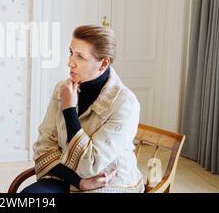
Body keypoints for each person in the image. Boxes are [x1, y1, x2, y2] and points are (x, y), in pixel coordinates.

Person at [22, 25, 144, 193]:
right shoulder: (63, 89)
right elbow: (43, 148)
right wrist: (78, 182)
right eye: (71, 52)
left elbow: (90, 165)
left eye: (80, 57)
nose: (70, 62)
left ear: (103, 63)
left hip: (108, 182)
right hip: (67, 175)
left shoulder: (126, 104)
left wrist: (69, 110)